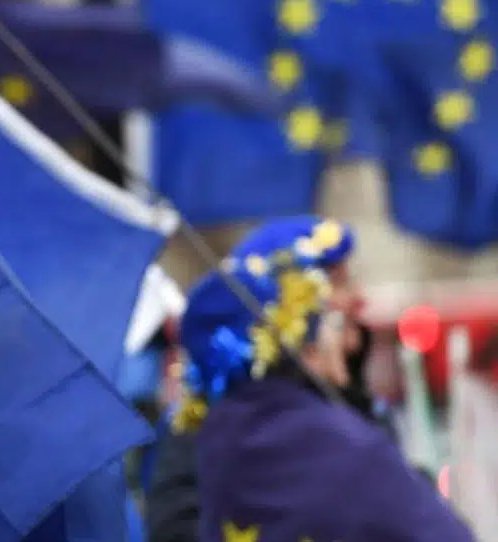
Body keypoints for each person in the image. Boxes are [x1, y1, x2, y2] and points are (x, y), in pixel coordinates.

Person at [171, 219, 474, 542]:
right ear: (295, 326)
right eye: (338, 284)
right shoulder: (345, 445)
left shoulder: (221, 434)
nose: (357, 298)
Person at [144, 216, 377, 542]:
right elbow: (176, 530)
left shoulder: (361, 403)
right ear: (286, 308)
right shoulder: (201, 423)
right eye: (338, 284)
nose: (359, 298)